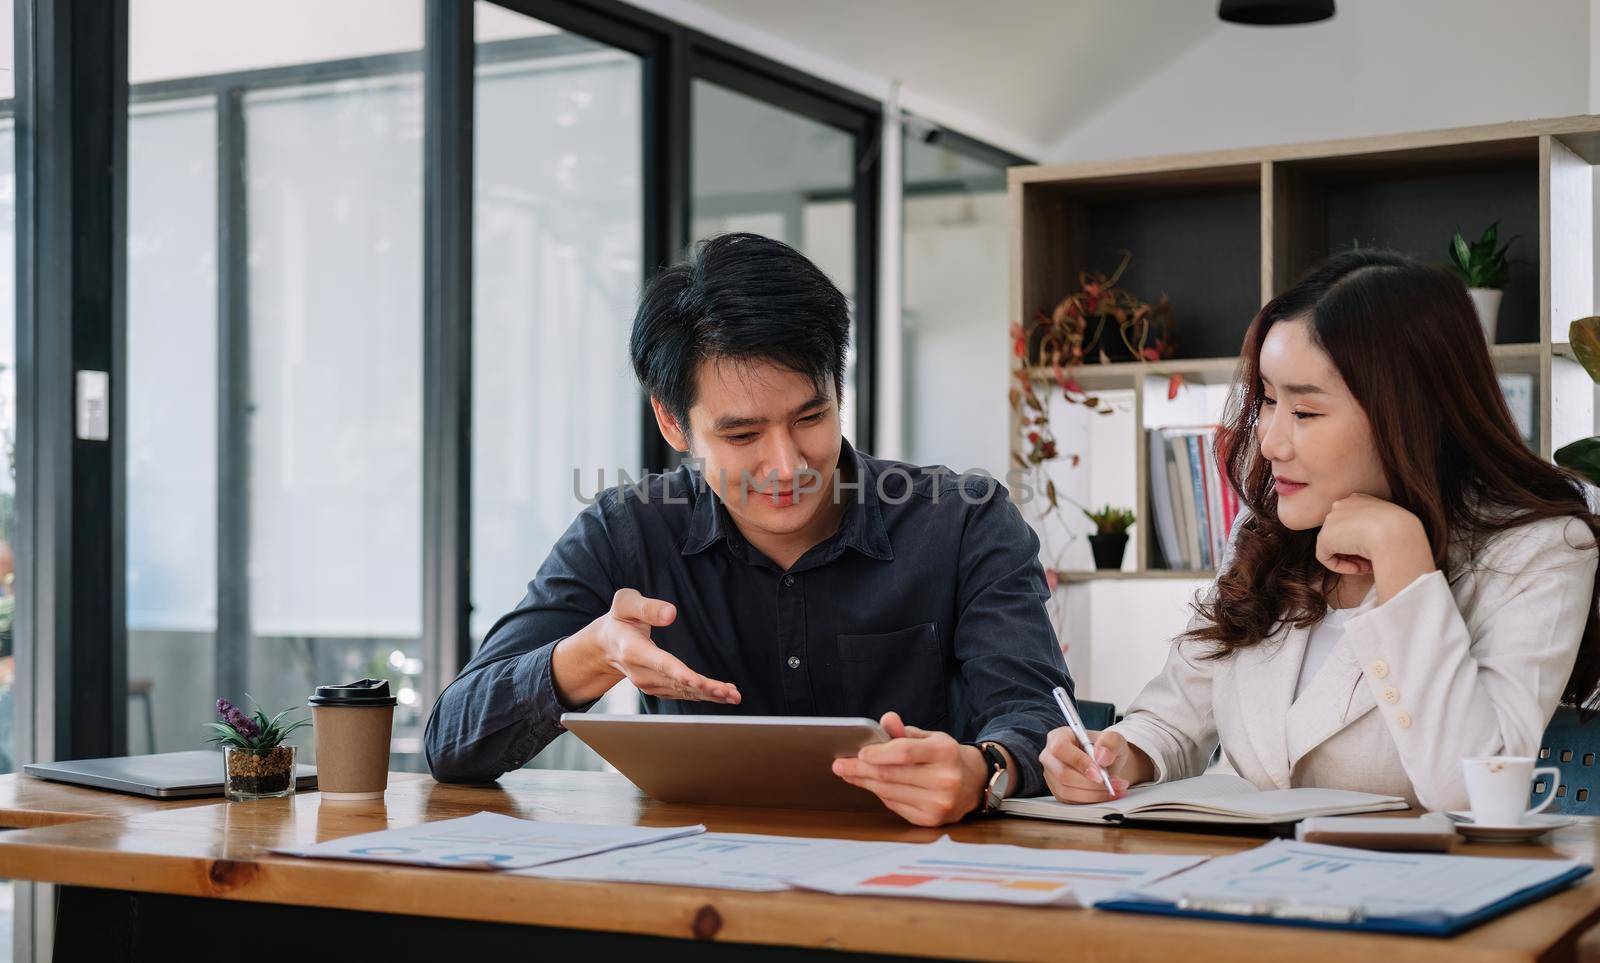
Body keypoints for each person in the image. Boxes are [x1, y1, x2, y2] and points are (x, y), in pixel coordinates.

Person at [426, 232, 1074, 826]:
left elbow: (1039, 716)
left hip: (924, 893)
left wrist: (985, 768)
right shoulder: (628, 530)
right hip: (698, 901)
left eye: (810, 417)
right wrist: (589, 655)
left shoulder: (962, 520)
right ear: (674, 424)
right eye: (741, 434)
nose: (787, 464)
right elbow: (452, 741)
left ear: (838, 392)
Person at [1042, 249, 1600, 812]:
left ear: (1409, 413)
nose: (1271, 441)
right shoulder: (1271, 528)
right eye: (1266, 399)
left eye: (1305, 413)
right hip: (1260, 882)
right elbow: (1174, 716)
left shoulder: (1542, 549)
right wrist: (1120, 753)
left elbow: (1470, 790)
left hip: (1432, 889)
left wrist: (1404, 564)